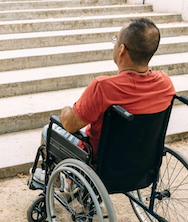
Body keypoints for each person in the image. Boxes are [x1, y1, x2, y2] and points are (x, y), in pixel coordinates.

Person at [31, 18, 177, 187]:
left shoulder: (104, 87)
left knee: (48, 129)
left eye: (116, 40)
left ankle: (52, 178)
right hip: (142, 159)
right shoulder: (165, 83)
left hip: (100, 162)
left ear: (122, 49)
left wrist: (66, 110)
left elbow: (70, 125)